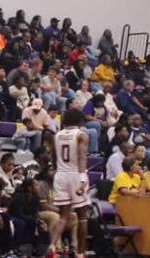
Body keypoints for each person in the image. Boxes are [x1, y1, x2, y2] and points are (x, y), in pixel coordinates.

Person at [50, 109, 92, 258]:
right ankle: (80, 254)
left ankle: (52, 245)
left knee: (63, 216)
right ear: (80, 121)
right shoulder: (81, 135)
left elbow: (54, 158)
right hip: (75, 174)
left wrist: (56, 171)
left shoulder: (57, 135)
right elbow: (82, 157)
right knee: (82, 217)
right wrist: (82, 179)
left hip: (60, 175)